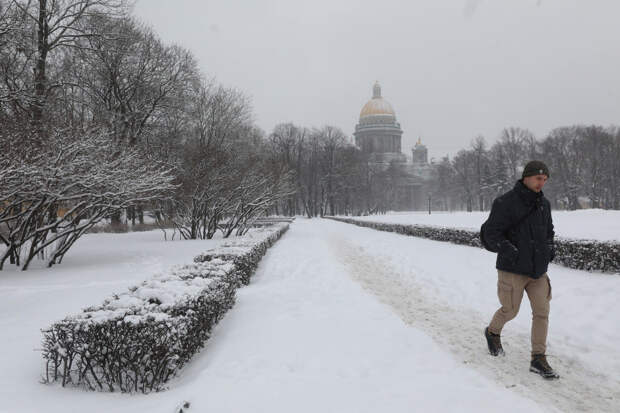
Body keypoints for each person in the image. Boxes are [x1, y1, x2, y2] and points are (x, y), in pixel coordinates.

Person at [483, 160, 559, 379]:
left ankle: (538, 358)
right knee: (510, 311)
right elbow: (491, 234)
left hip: (537, 271)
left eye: (544, 180)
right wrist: (511, 250)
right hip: (512, 270)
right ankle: (492, 332)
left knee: (542, 312)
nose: (541, 183)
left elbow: (549, 231)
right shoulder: (505, 202)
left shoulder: (544, 204)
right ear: (526, 177)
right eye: (538, 178)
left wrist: (549, 248)